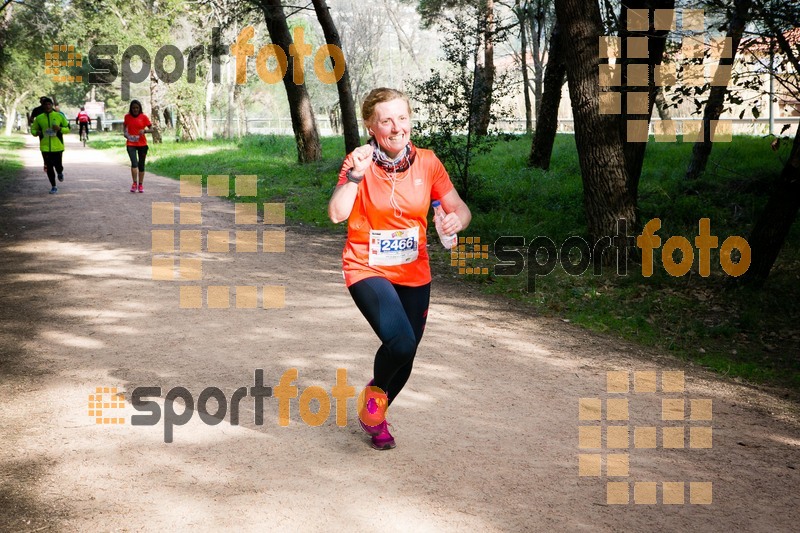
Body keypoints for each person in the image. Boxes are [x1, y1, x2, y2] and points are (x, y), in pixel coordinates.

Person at [328, 88, 471, 450]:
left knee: (407, 351)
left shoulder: (428, 163)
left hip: (414, 273)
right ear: (371, 126)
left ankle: (375, 404)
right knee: (401, 342)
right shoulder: (359, 161)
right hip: (366, 268)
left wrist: (455, 223)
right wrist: (356, 177)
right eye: (386, 120)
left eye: (402, 118)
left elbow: (460, 209)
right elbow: (336, 213)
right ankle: (374, 408)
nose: (396, 127)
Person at [29, 97, 70, 194]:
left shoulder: (59, 115)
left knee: (58, 166)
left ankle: (60, 172)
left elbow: (67, 128)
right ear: (43, 106)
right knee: (49, 167)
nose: (47, 106)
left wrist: (59, 129)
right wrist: (36, 133)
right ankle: (53, 186)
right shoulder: (39, 118)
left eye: (49, 104)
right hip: (45, 146)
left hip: (58, 146)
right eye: (45, 104)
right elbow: (33, 130)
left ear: (52, 105)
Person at [123, 100, 152, 193]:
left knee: (141, 165)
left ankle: (140, 185)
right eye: (133, 108)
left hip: (142, 144)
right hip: (131, 143)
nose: (135, 109)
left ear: (139, 108)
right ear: (131, 109)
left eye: (137, 108)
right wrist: (125, 133)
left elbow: (152, 129)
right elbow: (124, 126)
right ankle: (134, 183)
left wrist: (145, 131)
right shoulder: (127, 117)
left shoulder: (144, 117)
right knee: (134, 163)